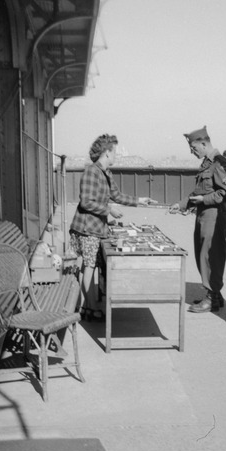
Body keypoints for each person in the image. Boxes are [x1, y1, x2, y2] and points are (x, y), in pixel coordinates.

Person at [69, 133, 156, 320]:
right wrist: (108, 210)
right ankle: (90, 308)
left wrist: (140, 201)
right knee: (89, 266)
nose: (116, 155)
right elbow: (86, 202)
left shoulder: (106, 173)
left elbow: (117, 195)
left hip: (95, 227)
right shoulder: (92, 172)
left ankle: (88, 306)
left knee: (89, 267)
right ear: (107, 152)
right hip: (87, 228)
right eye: (114, 151)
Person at [169, 126, 226, 312]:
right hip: (204, 215)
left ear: (204, 144)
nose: (192, 151)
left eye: (194, 147)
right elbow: (199, 191)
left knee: (210, 257)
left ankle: (212, 297)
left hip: (214, 216)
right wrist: (182, 204)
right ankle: (215, 295)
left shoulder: (219, 162)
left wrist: (204, 200)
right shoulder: (207, 163)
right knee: (203, 255)